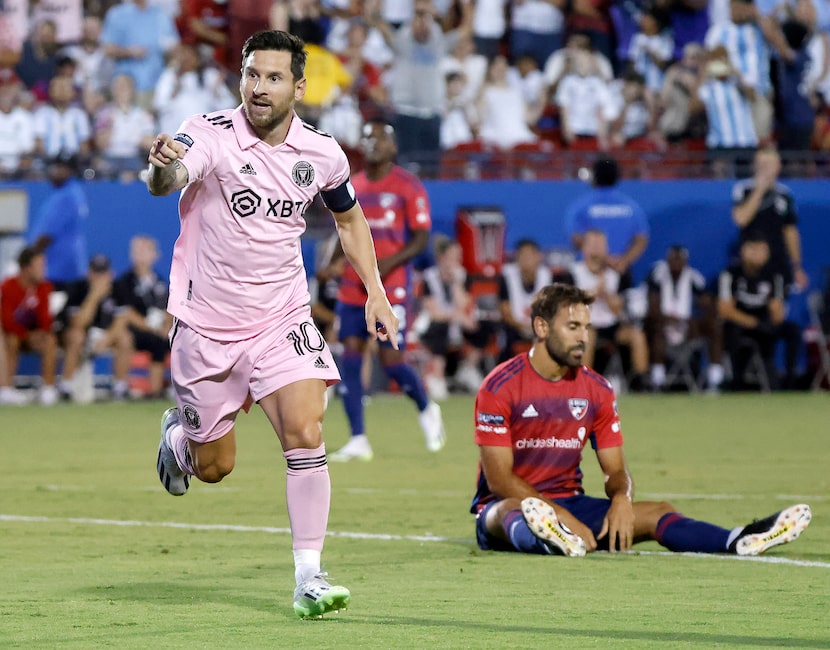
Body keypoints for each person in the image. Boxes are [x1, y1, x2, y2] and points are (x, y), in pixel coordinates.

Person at [145, 30, 400, 619]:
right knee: (216, 468)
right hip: (205, 328)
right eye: (251, 74)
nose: (259, 88)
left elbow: (351, 221)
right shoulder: (209, 133)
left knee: (306, 433)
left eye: (273, 77)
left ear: (299, 88)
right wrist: (160, 169)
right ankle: (180, 444)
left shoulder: (323, 154)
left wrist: (377, 293)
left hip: (281, 317)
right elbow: (169, 178)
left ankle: (309, 577)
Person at [470, 282, 812, 558]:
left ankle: (737, 540)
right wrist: (562, 518)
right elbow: (499, 480)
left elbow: (615, 470)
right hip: (509, 505)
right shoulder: (499, 386)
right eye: (573, 327)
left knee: (656, 511)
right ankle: (549, 538)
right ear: (541, 327)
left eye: (587, 327)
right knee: (510, 510)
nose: (584, 337)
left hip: (570, 503)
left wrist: (621, 500)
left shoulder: (597, 389)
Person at [328, 118, 446, 463]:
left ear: (393, 147)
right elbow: (346, 228)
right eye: (366, 137)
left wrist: (387, 265)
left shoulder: (408, 186)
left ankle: (426, 407)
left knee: (390, 357)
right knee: (349, 354)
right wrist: (333, 261)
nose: (372, 143)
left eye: (380, 138)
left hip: (390, 286)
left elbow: (421, 239)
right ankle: (358, 438)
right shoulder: (354, 184)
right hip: (353, 284)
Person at [717, 236, 802, 391]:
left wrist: (773, 317)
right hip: (741, 322)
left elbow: (777, 312)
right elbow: (725, 310)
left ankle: (790, 381)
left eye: (762, 250)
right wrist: (754, 323)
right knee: (731, 330)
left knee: (792, 331)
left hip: (764, 321)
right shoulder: (730, 274)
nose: (757, 254)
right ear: (743, 251)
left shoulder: (774, 275)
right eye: (752, 249)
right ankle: (736, 382)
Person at [644, 245, 724, 392]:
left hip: (687, 326)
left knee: (715, 327)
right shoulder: (657, 276)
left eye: (679, 259)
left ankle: (715, 379)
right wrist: (669, 320)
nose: (675, 263)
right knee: (656, 330)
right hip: (664, 326)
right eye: (672, 259)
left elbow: (709, 306)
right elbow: (652, 309)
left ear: (685, 261)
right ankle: (657, 380)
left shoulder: (694, 278)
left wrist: (695, 317)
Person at [731, 146, 809, 293]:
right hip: (751, 261)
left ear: (778, 167)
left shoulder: (785, 195)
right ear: (754, 166)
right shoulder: (744, 189)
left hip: (777, 259)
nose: (766, 169)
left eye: (770, 164)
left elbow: (790, 231)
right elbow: (741, 219)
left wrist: (797, 265)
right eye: (762, 165)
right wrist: (759, 190)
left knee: (778, 305)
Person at [56, 253, 133, 401]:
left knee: (125, 338)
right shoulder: (78, 288)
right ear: (89, 273)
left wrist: (107, 338)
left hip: (104, 335)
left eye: (103, 273)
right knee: (76, 336)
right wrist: (94, 295)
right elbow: (78, 323)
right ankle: (66, 387)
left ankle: (120, 387)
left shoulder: (118, 288)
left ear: (110, 274)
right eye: (95, 272)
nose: (99, 277)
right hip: (78, 335)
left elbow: (122, 319)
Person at [564, 154, 650, 282]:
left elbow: (576, 238)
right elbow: (642, 239)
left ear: (594, 176)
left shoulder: (581, 206)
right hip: (619, 270)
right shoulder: (631, 206)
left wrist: (604, 260)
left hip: (588, 274)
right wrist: (623, 261)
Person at [112, 235, 173, 399]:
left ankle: (157, 391)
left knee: (167, 342)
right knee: (125, 339)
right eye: (137, 251)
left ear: (155, 255)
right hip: (135, 330)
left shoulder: (160, 282)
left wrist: (166, 327)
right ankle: (120, 386)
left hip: (158, 332)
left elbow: (169, 308)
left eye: (145, 251)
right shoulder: (125, 282)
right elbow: (126, 312)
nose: (141, 255)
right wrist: (151, 328)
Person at [0, 245, 60, 405]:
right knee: (11, 340)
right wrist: (26, 334)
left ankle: (48, 389)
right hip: (13, 335)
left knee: (50, 341)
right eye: (39, 266)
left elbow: (46, 320)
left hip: (33, 336)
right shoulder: (8, 287)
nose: (44, 270)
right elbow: (7, 321)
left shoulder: (44, 287)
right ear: (26, 268)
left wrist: (39, 333)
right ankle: (6, 390)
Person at [28, 152, 89, 290]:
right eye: (54, 167)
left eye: (60, 168)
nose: (54, 171)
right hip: (67, 268)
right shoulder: (72, 191)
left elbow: (46, 237)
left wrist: (26, 260)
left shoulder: (66, 196)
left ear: (70, 171)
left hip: (57, 271)